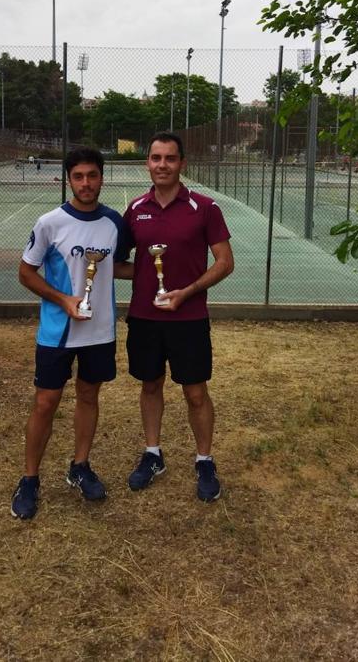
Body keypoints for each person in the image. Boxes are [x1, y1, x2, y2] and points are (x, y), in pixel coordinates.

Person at [11, 147, 128, 519]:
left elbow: (120, 267)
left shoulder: (115, 223)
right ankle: (29, 479)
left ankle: (80, 466)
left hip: (99, 330)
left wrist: (163, 273)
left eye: (92, 175)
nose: (86, 183)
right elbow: (26, 273)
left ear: (102, 178)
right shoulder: (49, 222)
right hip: (57, 332)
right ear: (68, 180)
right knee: (46, 402)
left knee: (89, 396)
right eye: (78, 176)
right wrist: (63, 300)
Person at [122, 132, 234, 503]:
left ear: (182, 164)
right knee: (150, 385)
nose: (162, 165)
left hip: (189, 319)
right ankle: (153, 454)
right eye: (156, 158)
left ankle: (204, 460)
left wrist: (185, 293)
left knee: (196, 392)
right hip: (144, 317)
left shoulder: (204, 208)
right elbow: (125, 262)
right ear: (147, 163)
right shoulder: (135, 208)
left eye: (170, 158)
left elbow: (224, 262)